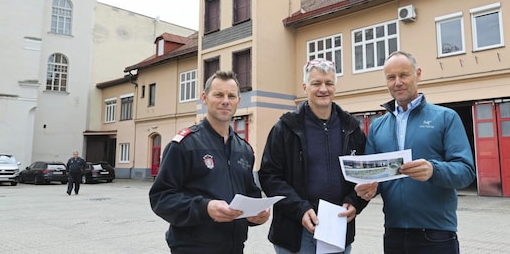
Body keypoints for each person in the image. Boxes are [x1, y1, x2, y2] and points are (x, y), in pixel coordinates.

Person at [354, 51, 475, 254]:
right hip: (393, 233)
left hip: (437, 233)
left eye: (404, 75)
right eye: (391, 77)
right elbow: (376, 177)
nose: (398, 82)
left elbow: (466, 171)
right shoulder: (377, 127)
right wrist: (368, 189)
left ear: (418, 74)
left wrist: (433, 170)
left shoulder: (446, 118)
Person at [149, 70, 269, 254]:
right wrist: (204, 208)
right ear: (204, 98)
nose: (225, 101)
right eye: (218, 95)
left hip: (234, 248)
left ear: (239, 100)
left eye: (231, 96)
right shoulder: (185, 145)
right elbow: (161, 198)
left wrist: (257, 214)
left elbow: (250, 195)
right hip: (192, 248)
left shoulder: (244, 150)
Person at [259, 58, 369, 254]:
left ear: (335, 86)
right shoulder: (285, 127)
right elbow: (269, 176)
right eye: (316, 83)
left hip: (337, 229)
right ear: (305, 87)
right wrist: (299, 208)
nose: (323, 89)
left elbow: (363, 175)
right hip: (295, 233)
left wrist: (355, 202)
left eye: (329, 83)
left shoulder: (351, 127)